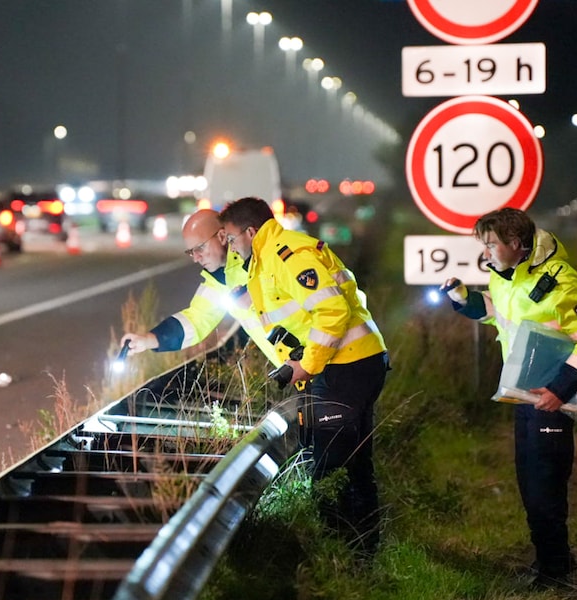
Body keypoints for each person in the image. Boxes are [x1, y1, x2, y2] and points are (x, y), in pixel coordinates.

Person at [440, 207, 577, 588]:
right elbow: (497, 314)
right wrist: (463, 297)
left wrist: (558, 391)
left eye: (490, 244)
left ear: (516, 244)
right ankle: (551, 562)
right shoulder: (506, 275)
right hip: (523, 397)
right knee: (530, 485)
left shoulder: (564, 285)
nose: (484, 252)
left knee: (545, 487)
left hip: (551, 401)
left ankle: (555, 574)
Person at [219, 197, 389, 555]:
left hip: (346, 365)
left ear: (251, 232)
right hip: (350, 363)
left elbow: (331, 311)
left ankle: (342, 551)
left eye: (232, 239)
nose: (231, 248)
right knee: (353, 463)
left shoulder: (286, 254)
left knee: (329, 467)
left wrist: (308, 365)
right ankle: (364, 551)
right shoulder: (269, 257)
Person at [119, 209, 285, 367]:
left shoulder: (260, 260)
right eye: (191, 252)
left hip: (308, 359)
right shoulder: (220, 281)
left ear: (221, 236)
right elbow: (195, 320)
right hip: (296, 367)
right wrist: (148, 339)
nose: (196, 258)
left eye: (200, 248)